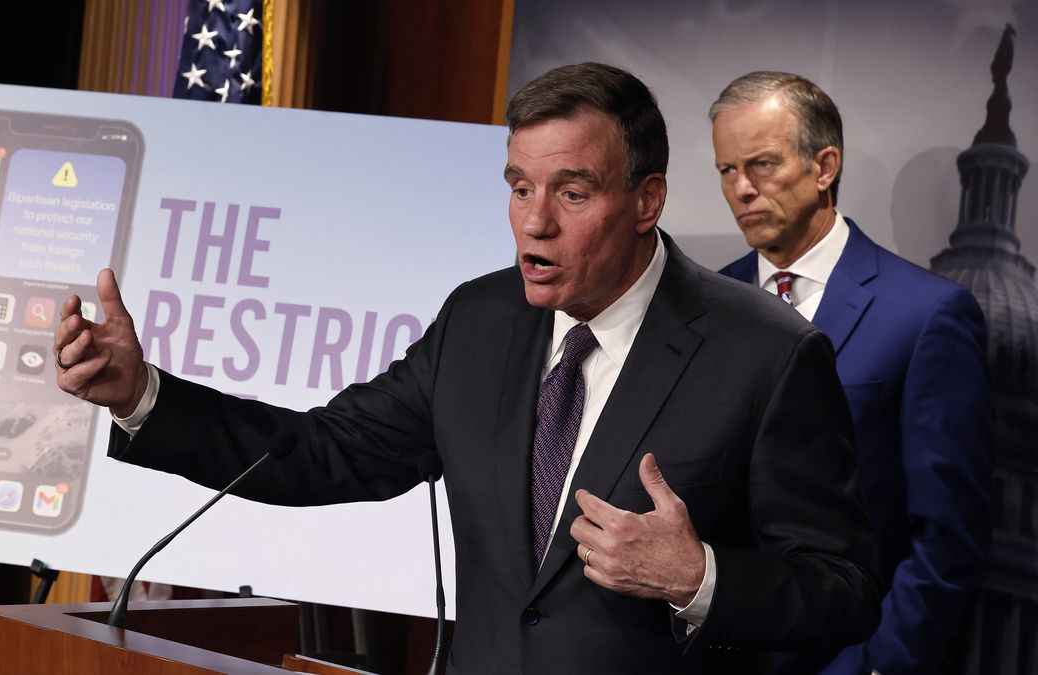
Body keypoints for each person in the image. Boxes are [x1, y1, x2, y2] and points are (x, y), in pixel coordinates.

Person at [55, 62, 881, 674]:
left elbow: (842, 590)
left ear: (647, 200)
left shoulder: (765, 354)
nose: (535, 224)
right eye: (520, 188)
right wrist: (143, 397)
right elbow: (319, 450)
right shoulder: (482, 321)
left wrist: (699, 577)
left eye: (572, 192)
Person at [713, 71, 993, 675]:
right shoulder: (706, 302)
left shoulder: (926, 316)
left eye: (761, 165)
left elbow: (948, 533)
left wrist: (876, 667)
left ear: (824, 166)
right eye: (727, 171)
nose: (741, 190)